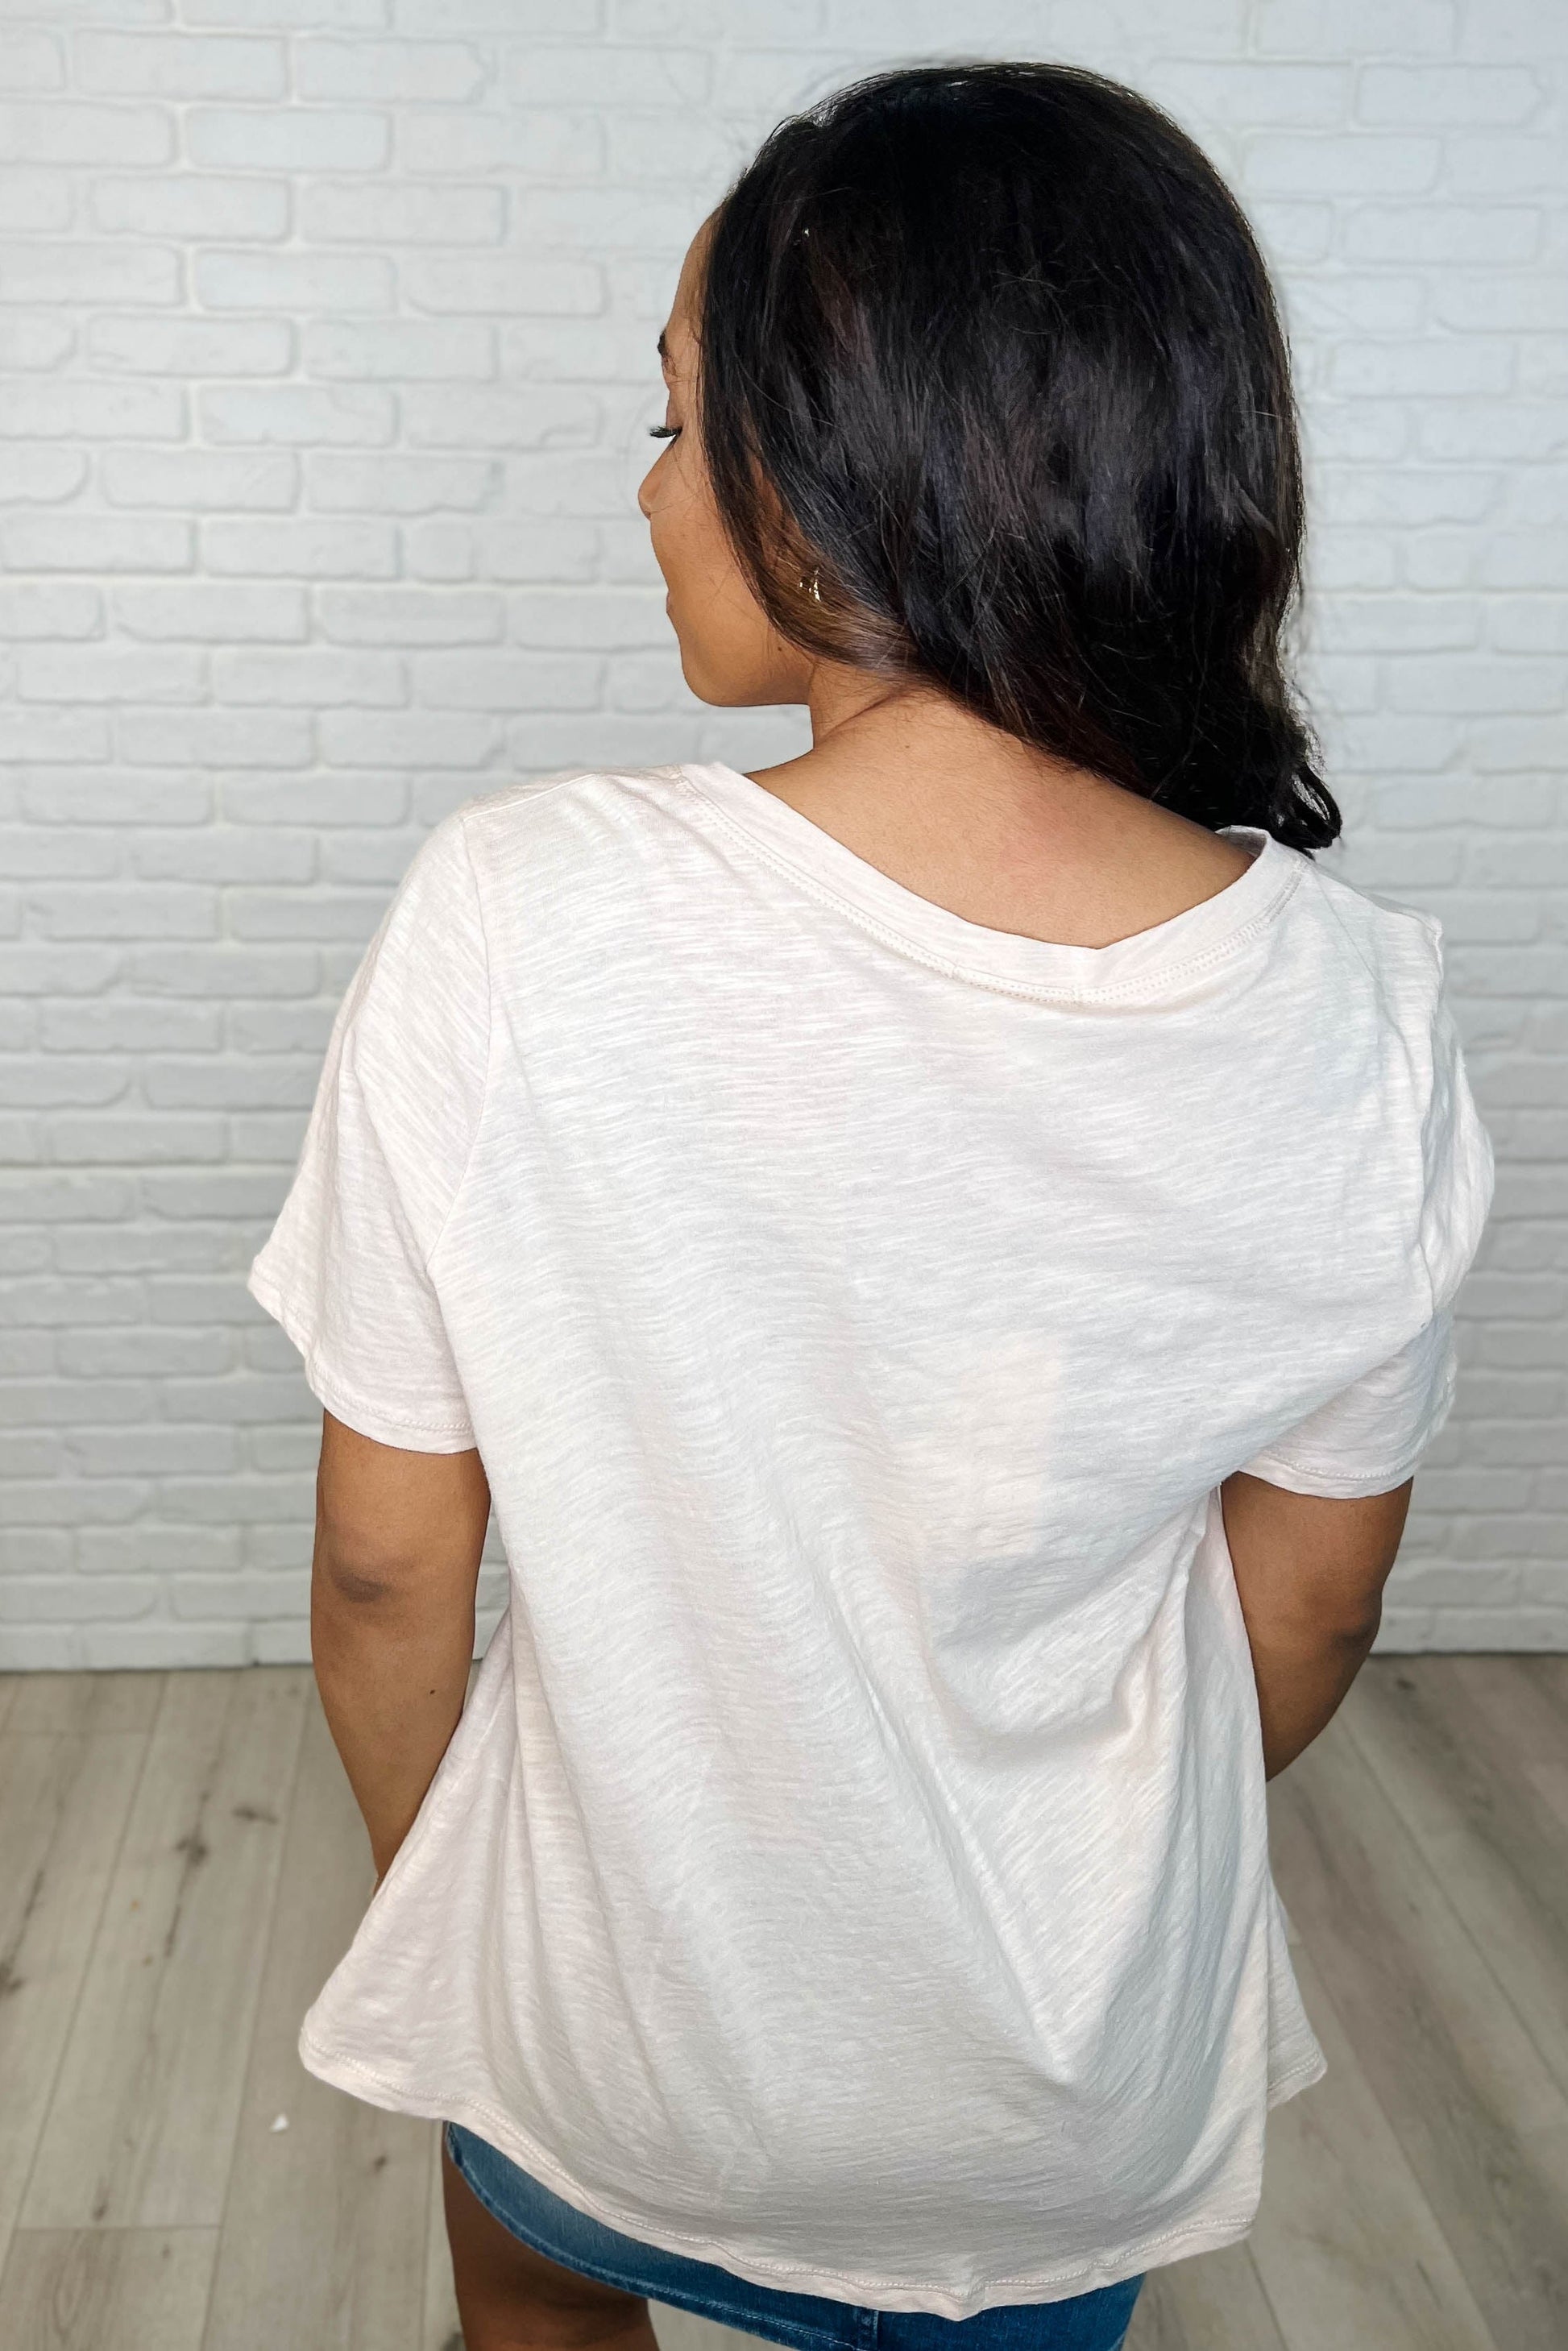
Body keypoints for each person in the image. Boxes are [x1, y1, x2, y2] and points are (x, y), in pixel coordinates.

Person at [247, 60, 1495, 2351]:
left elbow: (384, 1565)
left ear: (834, 462)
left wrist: (471, 1930)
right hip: (1056, 2096)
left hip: (610, 2036)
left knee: (538, 2309)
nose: (649, 491)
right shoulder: (1357, 1017)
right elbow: (1309, 1612)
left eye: (672, 420)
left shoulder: (518, 912)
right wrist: (1052, 1867)